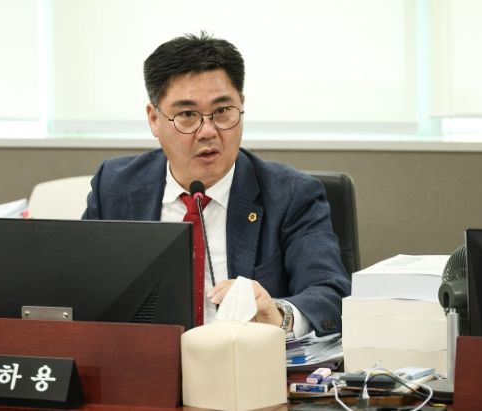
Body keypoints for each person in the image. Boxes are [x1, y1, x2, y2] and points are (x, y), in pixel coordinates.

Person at [83, 32, 351, 336]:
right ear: (154, 119)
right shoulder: (115, 185)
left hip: (243, 360)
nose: (208, 131)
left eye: (222, 111)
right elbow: (81, 286)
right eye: (187, 115)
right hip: (144, 359)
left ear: (241, 106)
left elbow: (330, 295)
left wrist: (279, 314)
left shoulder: (291, 195)